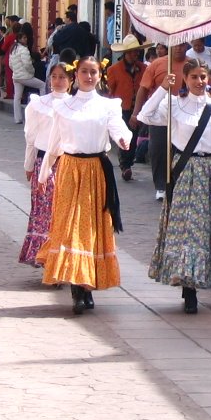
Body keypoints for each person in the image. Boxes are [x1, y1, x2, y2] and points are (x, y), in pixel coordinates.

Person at [138, 59, 211, 315]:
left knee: (201, 228)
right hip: (182, 171)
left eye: (203, 76)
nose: (200, 81)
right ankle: (187, 285)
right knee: (183, 227)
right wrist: (164, 89)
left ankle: (193, 284)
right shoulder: (175, 106)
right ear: (185, 79)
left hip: (209, 173)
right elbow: (145, 115)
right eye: (194, 77)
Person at [36, 57, 131, 313]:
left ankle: (88, 284)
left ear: (100, 75)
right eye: (84, 72)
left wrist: (123, 139)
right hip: (70, 169)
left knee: (92, 228)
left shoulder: (107, 106)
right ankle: (77, 286)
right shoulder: (64, 106)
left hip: (96, 171)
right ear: (75, 74)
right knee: (71, 227)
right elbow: (54, 143)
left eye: (93, 72)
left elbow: (118, 127)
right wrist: (43, 175)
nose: (89, 76)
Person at [131, 43, 187, 201]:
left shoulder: (191, 64)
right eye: (175, 46)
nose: (179, 49)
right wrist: (136, 113)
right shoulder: (157, 64)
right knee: (158, 150)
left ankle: (178, 183)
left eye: (182, 46)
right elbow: (143, 89)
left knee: (180, 150)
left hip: (182, 115)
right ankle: (161, 186)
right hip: (159, 114)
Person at [107, 34, 149, 181]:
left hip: (137, 108)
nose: (135, 54)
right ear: (125, 53)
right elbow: (110, 91)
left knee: (134, 137)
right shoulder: (114, 70)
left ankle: (128, 163)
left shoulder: (143, 68)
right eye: (132, 51)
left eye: (136, 51)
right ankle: (125, 166)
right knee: (124, 137)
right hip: (121, 108)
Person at [9, 24, 43, 125]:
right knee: (42, 85)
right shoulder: (24, 50)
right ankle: (42, 110)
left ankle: (17, 118)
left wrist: (15, 71)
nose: (26, 39)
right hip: (25, 76)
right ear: (20, 39)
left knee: (17, 97)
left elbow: (10, 64)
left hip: (16, 76)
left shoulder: (13, 49)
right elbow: (27, 64)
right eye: (24, 38)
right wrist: (31, 72)